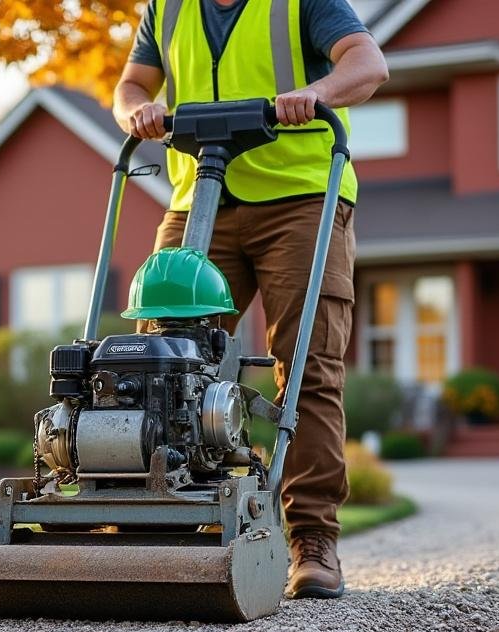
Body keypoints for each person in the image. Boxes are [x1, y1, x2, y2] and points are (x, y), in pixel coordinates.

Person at [113, 0, 389, 599]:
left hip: (300, 196)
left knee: (307, 364)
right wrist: (138, 112)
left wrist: (313, 94)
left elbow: (367, 64)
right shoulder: (166, 8)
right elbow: (131, 83)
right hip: (198, 201)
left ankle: (312, 540)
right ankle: (155, 521)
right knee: (154, 368)